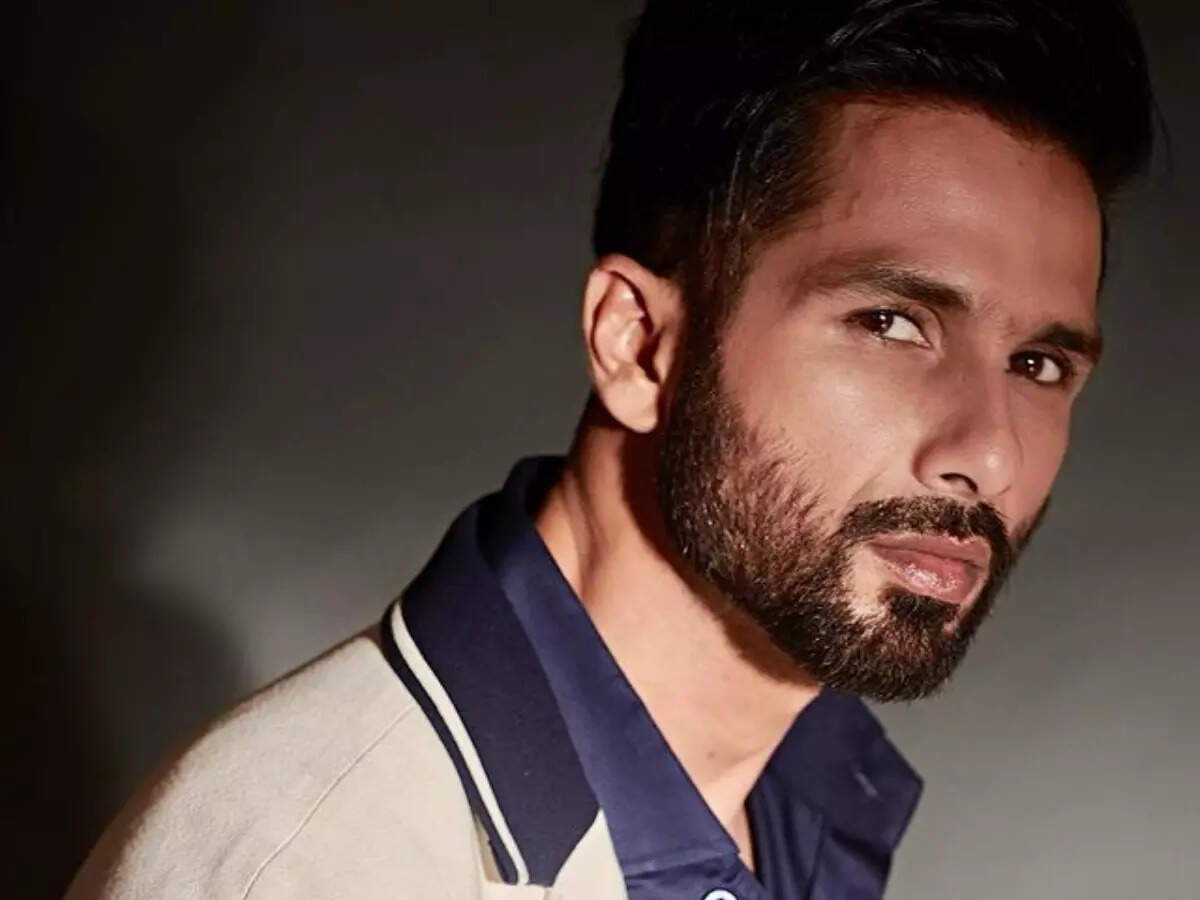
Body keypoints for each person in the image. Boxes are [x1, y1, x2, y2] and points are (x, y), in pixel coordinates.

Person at [66, 1, 1155, 898]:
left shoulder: (801, 806)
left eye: (1040, 364)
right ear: (637, 344)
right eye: (892, 324)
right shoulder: (307, 865)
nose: (991, 457)